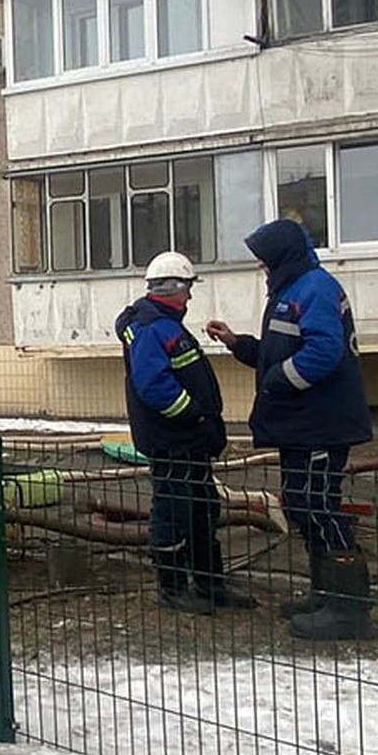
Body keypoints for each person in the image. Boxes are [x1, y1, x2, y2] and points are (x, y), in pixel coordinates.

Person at [206, 218, 374, 641]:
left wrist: (277, 379)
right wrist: (239, 344)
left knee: (317, 505)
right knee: (301, 503)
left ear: (281, 256)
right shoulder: (292, 288)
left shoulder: (313, 288)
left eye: (263, 260)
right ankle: (324, 592)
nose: (261, 268)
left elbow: (323, 352)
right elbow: (284, 351)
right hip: (303, 424)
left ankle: (349, 609)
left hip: (321, 423)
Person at [115, 251, 255, 614]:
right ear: (172, 289)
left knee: (201, 511)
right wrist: (194, 417)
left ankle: (210, 584)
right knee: (173, 513)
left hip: (186, 442)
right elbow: (154, 386)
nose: (190, 297)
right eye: (187, 289)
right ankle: (173, 587)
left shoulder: (165, 323)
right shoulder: (152, 327)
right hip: (173, 441)